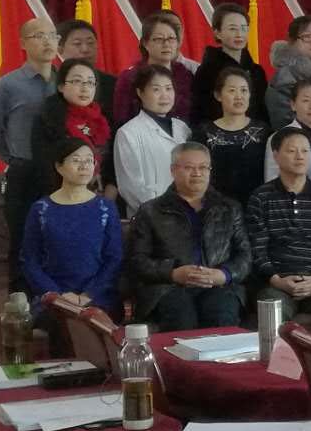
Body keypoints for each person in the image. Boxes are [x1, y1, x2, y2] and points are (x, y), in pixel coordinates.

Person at [127, 141, 251, 331]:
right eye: (189, 168)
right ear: (173, 170)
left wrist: (224, 275)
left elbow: (245, 256)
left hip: (219, 286)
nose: (197, 173)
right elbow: (137, 260)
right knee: (182, 317)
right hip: (167, 287)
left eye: (203, 167)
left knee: (220, 314)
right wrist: (173, 273)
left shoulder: (229, 208)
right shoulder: (151, 211)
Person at [246, 126, 311, 338]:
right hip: (277, 282)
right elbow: (257, 247)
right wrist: (277, 279)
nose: (300, 156)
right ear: (276, 156)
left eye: (305, 151)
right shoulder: (261, 197)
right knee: (271, 310)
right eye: (292, 150)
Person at [0, 18, 56, 287]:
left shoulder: (66, 80)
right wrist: (14, 159)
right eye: (39, 36)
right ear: (23, 43)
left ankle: (59, 300)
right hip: (24, 173)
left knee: (58, 240)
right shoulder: (8, 84)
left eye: (52, 35)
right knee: (23, 240)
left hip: (61, 174)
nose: (47, 41)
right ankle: (21, 299)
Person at [21, 138, 122, 328]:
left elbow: (114, 259)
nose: (84, 166)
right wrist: (57, 296)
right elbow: (30, 261)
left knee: (92, 322)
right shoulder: (41, 209)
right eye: (76, 160)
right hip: (53, 298)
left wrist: (88, 295)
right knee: (63, 324)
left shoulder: (105, 208)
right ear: (59, 167)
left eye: (89, 160)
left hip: (98, 297)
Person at [114, 64, 191, 213]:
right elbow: (130, 187)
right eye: (156, 89)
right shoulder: (128, 133)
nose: (164, 95)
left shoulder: (183, 128)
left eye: (168, 88)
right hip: (150, 217)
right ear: (140, 93)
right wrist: (160, 214)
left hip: (186, 213)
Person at [29, 58, 112, 195]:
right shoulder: (48, 119)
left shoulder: (102, 120)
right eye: (77, 81)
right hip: (61, 195)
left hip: (100, 194)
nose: (85, 88)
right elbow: (44, 168)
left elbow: (110, 163)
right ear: (61, 86)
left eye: (90, 82)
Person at [193, 66, 269, 207]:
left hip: (256, 206)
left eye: (244, 90)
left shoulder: (263, 131)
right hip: (216, 208)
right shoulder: (204, 132)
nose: (239, 96)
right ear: (218, 95)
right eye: (232, 90)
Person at [112, 11, 195, 127]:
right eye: (159, 39)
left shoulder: (187, 76)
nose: (166, 44)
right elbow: (122, 119)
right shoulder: (130, 78)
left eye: (171, 38)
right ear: (145, 43)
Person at [191, 3, 268, 125]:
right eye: (232, 28)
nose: (239, 34)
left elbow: (263, 112)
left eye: (244, 28)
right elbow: (199, 113)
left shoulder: (256, 71)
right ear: (218, 33)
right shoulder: (207, 71)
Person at [56, 19, 115, 121]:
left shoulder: (113, 84)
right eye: (77, 44)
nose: (85, 49)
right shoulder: (52, 82)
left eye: (90, 43)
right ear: (60, 49)